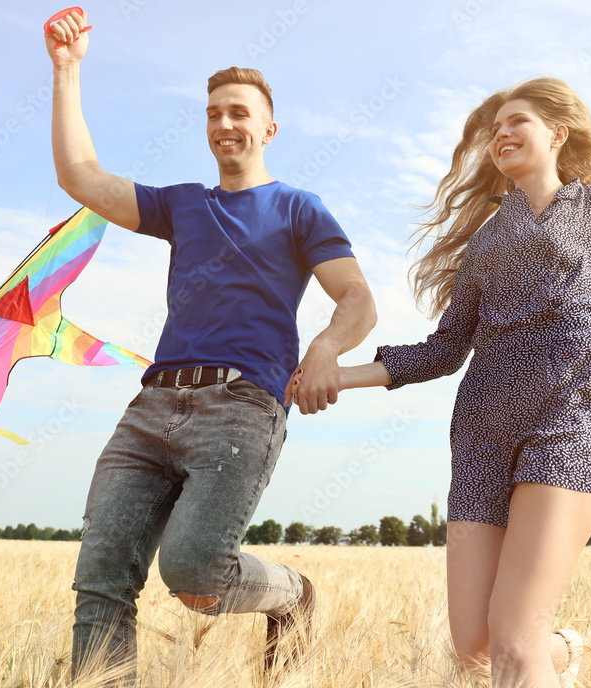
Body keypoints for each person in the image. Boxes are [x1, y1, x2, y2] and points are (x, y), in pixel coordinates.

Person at [304, 77, 591, 686]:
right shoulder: (487, 239)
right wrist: (337, 376)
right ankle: (568, 653)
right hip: (481, 432)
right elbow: (443, 350)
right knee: (477, 650)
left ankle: (543, 655)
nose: (502, 135)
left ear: (558, 134)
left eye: (517, 122)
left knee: (516, 641)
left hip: (573, 413)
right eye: (495, 129)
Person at [44, 9, 377, 683]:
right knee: (101, 579)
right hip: (152, 406)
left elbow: (359, 300)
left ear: (269, 128)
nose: (224, 124)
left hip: (242, 406)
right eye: (213, 113)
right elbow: (81, 177)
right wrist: (68, 70)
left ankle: (293, 593)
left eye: (239, 112)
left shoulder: (298, 210)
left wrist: (322, 349)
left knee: (194, 572)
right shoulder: (181, 205)